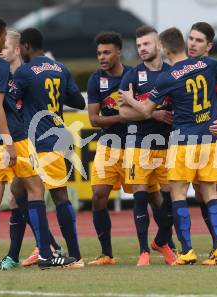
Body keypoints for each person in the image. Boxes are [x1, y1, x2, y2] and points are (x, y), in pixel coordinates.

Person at [119, 27, 217, 265]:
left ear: (164, 49)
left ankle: (187, 250)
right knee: (210, 193)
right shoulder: (208, 64)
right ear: (184, 45)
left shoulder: (168, 77)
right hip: (209, 139)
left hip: (183, 141)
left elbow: (146, 110)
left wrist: (130, 99)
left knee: (178, 194)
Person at [0, 16, 75, 271]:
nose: (4, 40)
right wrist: (9, 142)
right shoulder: (0, 65)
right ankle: (46, 254)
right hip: (12, 136)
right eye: (3, 35)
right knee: (36, 189)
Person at [5, 28, 86, 269]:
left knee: (51, 196)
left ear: (26, 47)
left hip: (37, 142)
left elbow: (9, 102)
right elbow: (79, 102)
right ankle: (50, 246)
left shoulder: (25, 72)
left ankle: (73, 255)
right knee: (20, 193)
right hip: (57, 139)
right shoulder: (61, 68)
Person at [0, 30, 68, 269]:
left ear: (18, 49)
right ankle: (42, 249)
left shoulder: (25, 77)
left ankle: (42, 250)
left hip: (35, 146)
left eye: (5, 47)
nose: (0, 51)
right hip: (18, 144)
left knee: (23, 196)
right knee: (17, 198)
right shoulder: (7, 77)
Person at [118, 25, 177, 266]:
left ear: (159, 46)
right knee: (140, 196)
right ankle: (144, 250)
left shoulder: (173, 73)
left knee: (171, 199)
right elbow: (122, 111)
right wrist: (153, 114)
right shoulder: (132, 75)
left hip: (168, 146)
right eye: (139, 45)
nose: (142, 49)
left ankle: (162, 240)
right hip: (139, 145)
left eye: (146, 44)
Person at [187, 21, 217, 265]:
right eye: (191, 38)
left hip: (215, 140)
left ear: (209, 46)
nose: (192, 43)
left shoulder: (213, 70)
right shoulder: (184, 70)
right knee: (200, 193)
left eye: (198, 40)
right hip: (193, 141)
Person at [86, 32, 131, 265]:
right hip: (109, 145)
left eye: (106, 52)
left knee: (153, 196)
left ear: (118, 52)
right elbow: (94, 120)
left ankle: (167, 244)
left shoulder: (133, 75)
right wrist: (124, 117)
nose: (102, 57)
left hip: (136, 145)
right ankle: (107, 254)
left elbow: (145, 111)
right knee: (98, 196)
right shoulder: (96, 80)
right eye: (99, 53)